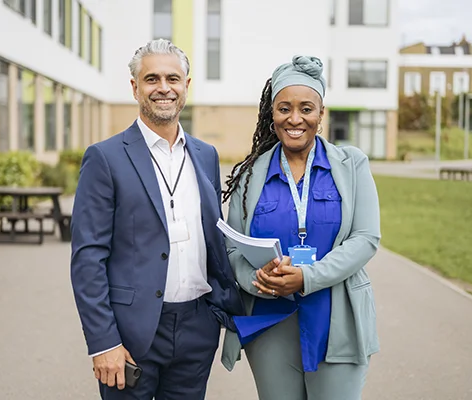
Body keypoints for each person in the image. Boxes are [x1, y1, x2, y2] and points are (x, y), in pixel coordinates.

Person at [70, 39, 244, 400]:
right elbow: (88, 259)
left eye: (172, 78)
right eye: (152, 79)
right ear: (135, 88)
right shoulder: (104, 158)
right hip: (131, 333)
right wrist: (103, 342)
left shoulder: (206, 155)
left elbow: (213, 237)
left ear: (186, 86)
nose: (163, 88)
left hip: (197, 328)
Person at [219, 55, 381, 400]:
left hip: (335, 319)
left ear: (321, 113)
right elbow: (231, 247)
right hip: (270, 323)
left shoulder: (352, 165)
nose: (295, 119)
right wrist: (256, 280)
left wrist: (308, 277)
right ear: (272, 114)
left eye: (306, 109)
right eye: (284, 109)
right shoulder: (250, 175)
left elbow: (366, 238)